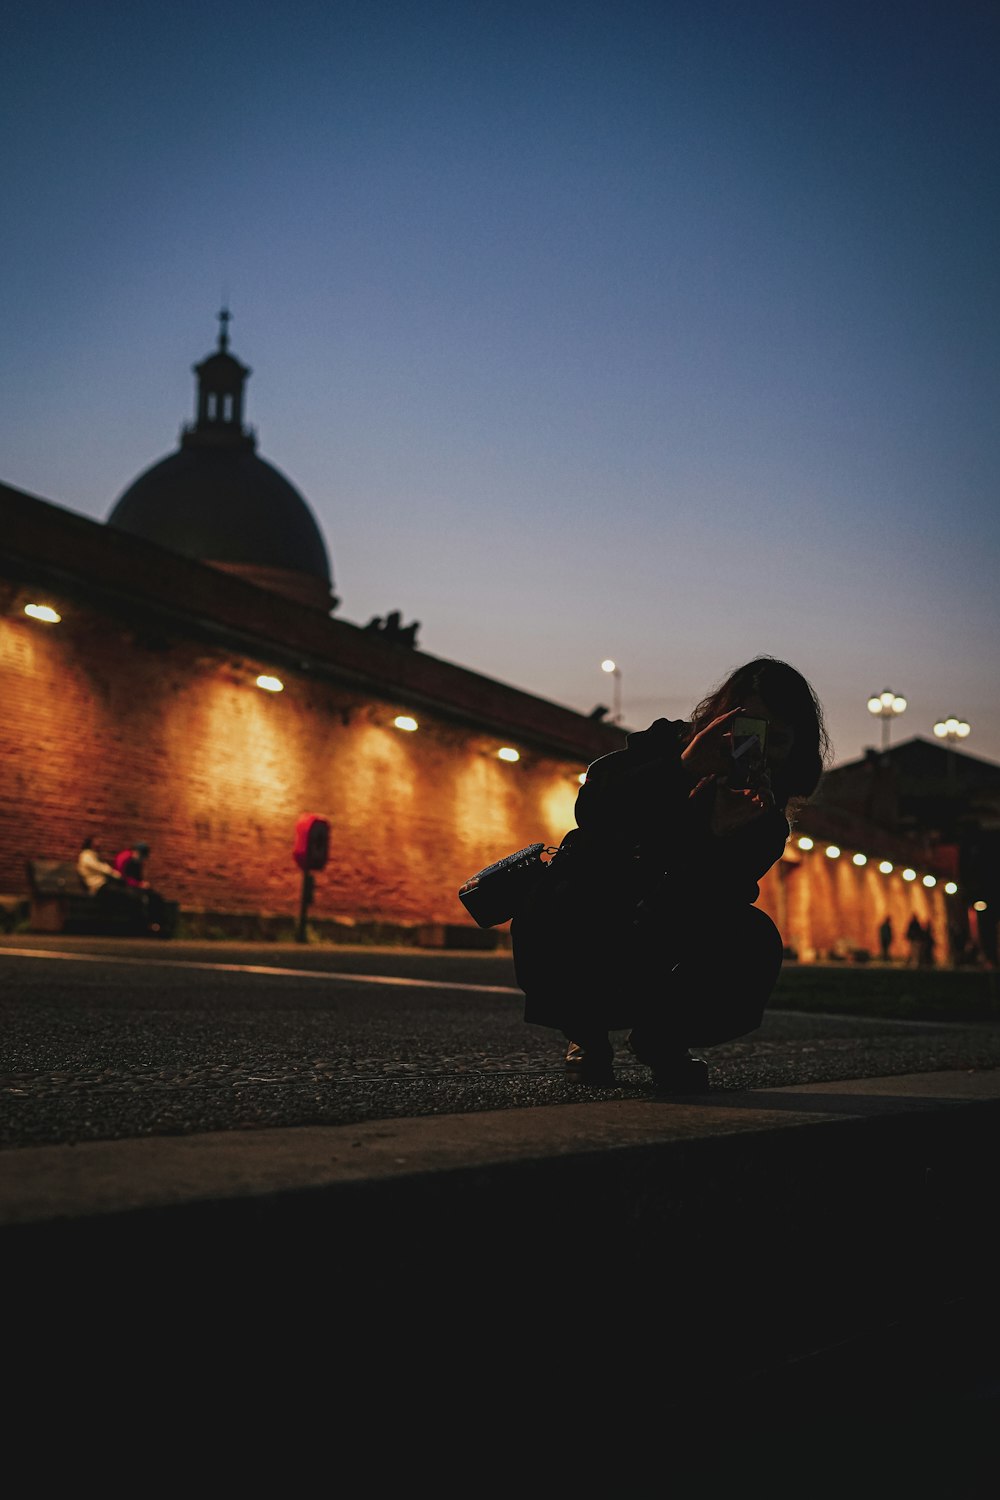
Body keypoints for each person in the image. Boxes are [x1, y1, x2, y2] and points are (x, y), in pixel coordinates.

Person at [510, 657, 829, 1093]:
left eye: (779, 739)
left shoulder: (764, 823)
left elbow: (704, 908)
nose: (755, 750)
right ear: (722, 720)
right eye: (750, 730)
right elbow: (594, 809)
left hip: (661, 931)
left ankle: (662, 1038)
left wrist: (716, 837)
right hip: (594, 911)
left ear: (796, 749)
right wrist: (681, 770)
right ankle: (585, 1033)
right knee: (577, 887)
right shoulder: (666, 746)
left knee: (749, 936)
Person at [77, 835, 145, 923]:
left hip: (103, 884)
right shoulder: (86, 855)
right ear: (91, 843)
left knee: (127, 892)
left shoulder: (93, 855)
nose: (99, 843)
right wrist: (112, 873)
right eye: (97, 841)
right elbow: (99, 867)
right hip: (98, 886)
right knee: (127, 894)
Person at [113, 840, 168, 934]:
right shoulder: (125, 857)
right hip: (124, 886)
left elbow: (138, 877)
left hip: (135, 886)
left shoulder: (138, 861)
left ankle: (157, 924)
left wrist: (142, 883)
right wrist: (138, 884)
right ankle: (142, 926)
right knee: (138, 898)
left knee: (156, 897)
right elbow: (122, 877)